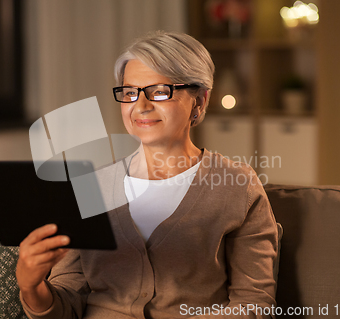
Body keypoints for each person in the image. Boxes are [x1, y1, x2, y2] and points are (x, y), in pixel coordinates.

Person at [17, 30, 278, 319]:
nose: (140, 106)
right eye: (130, 93)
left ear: (200, 101)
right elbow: (65, 307)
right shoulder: (91, 189)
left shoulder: (237, 186)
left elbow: (253, 306)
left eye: (159, 91)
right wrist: (31, 286)